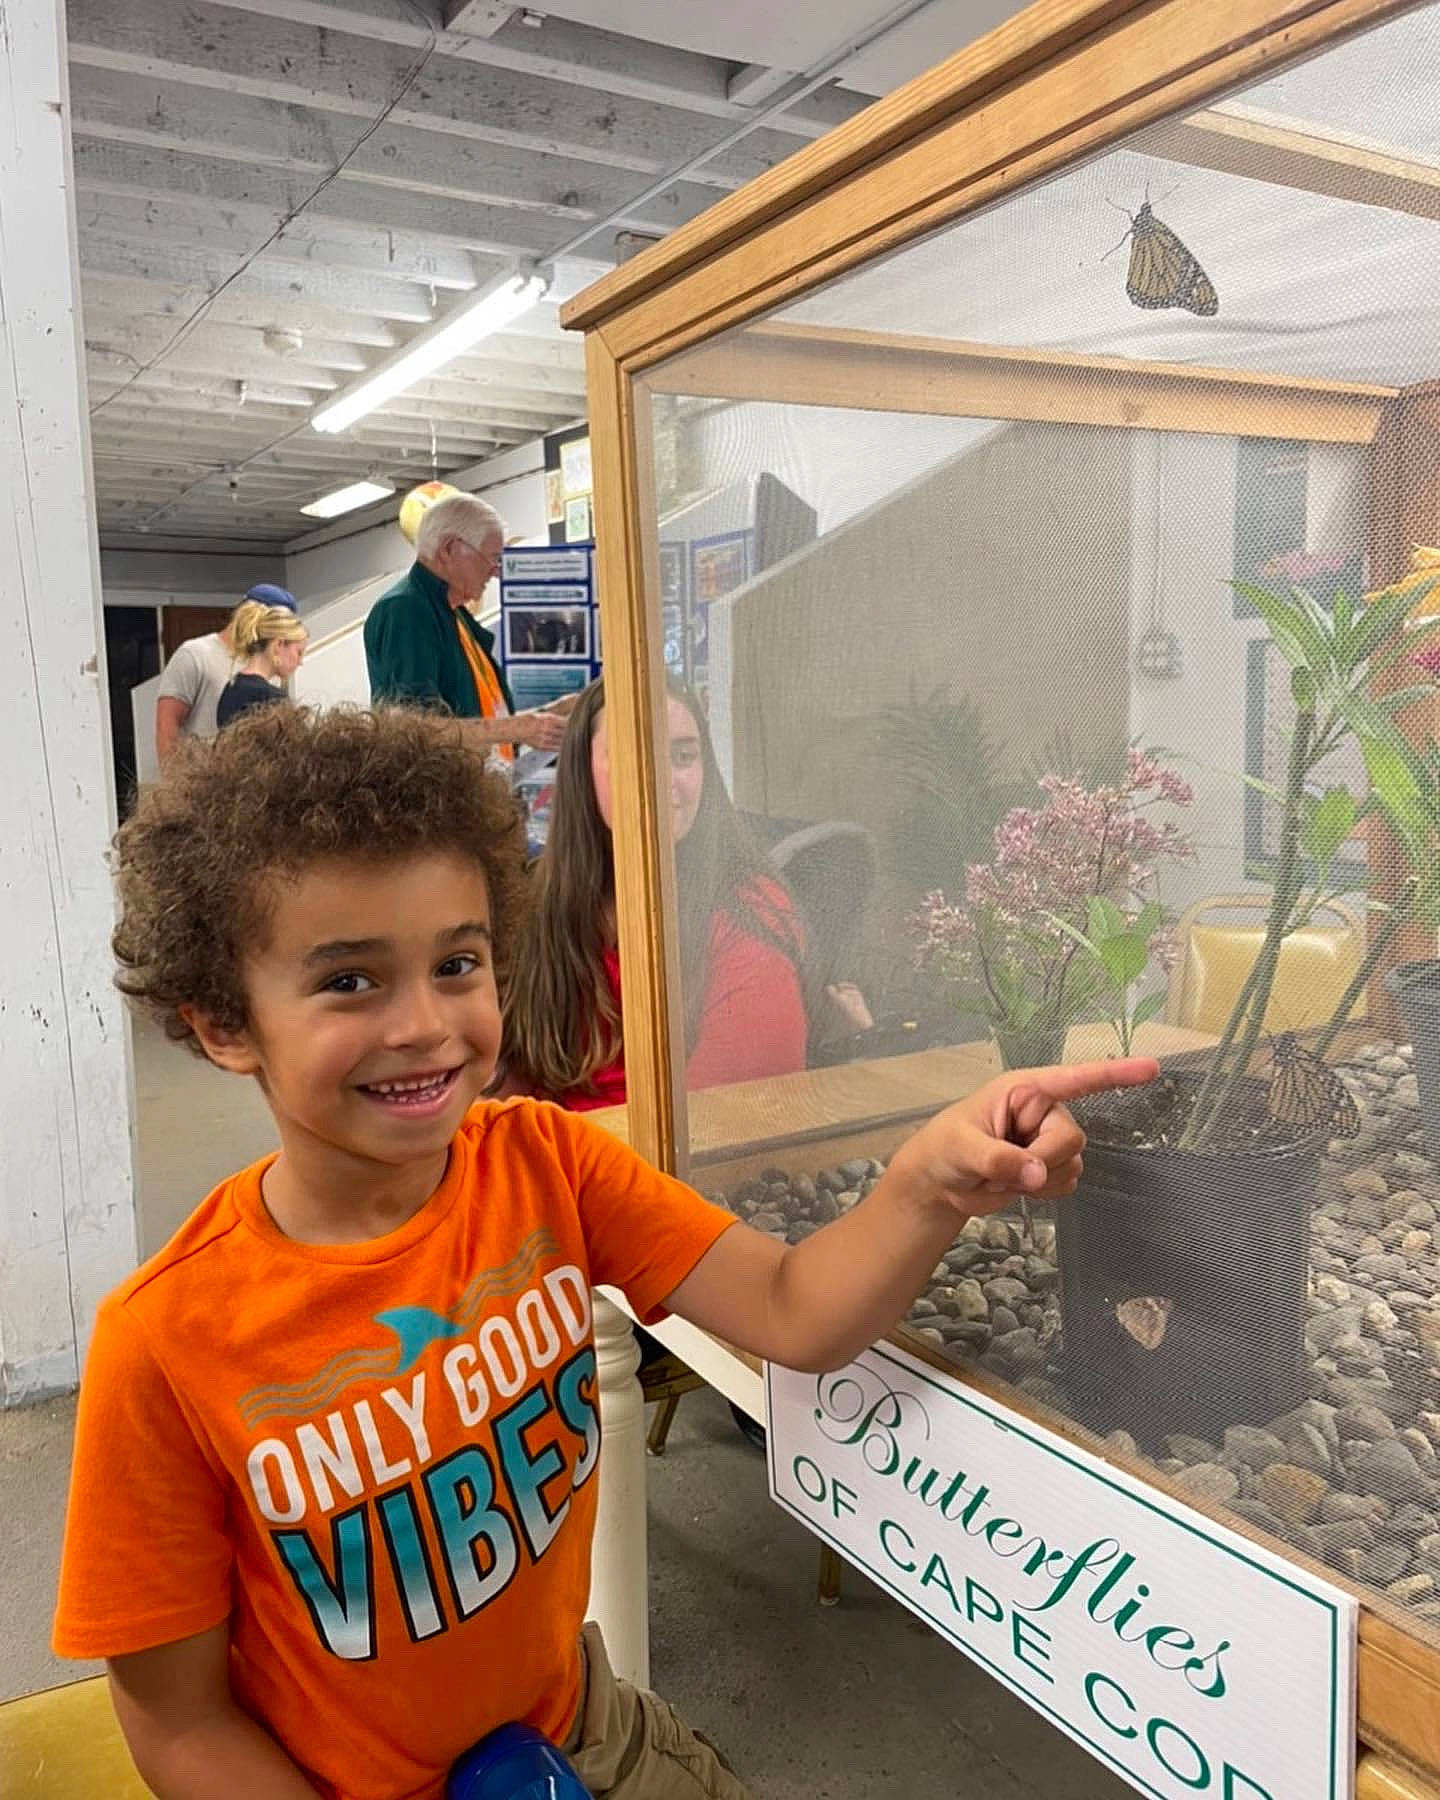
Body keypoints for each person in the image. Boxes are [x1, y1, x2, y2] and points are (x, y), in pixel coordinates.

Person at [52, 701, 1155, 1800]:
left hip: (593, 1736)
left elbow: (792, 1308)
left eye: (458, 962)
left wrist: (929, 1181)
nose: (425, 1024)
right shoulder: (165, 1345)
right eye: (349, 980)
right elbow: (176, 1718)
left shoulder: (548, 1162)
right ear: (225, 1022)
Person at [503, 675, 867, 1111]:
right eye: (633, 753)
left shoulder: (750, 914)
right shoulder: (537, 904)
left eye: (682, 755)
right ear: (582, 770)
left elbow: (725, 1123)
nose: (661, 779)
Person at [364, 493, 568, 760]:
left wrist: (554, 713)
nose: (496, 571)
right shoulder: (406, 609)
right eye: (492, 558)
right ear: (449, 549)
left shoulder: (455, 613)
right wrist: (519, 727)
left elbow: (484, 718)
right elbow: (410, 727)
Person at [155, 584, 299, 761]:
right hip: (204, 778)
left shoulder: (267, 665)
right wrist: (174, 782)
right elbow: (167, 724)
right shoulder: (195, 654)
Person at [216, 602, 308, 729]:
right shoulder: (273, 699)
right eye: (299, 652)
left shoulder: (231, 687)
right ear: (278, 645)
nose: (300, 661)